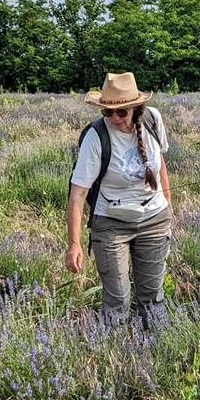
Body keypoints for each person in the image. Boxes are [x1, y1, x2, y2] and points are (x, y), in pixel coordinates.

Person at [66, 71, 173, 326]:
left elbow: (160, 163)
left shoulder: (153, 120)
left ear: (136, 107)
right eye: (107, 112)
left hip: (154, 220)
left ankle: (157, 352)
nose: (114, 118)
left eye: (121, 112)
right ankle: (113, 357)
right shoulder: (96, 136)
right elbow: (78, 193)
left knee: (152, 297)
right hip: (111, 223)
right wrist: (74, 243)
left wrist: (168, 205)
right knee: (117, 300)